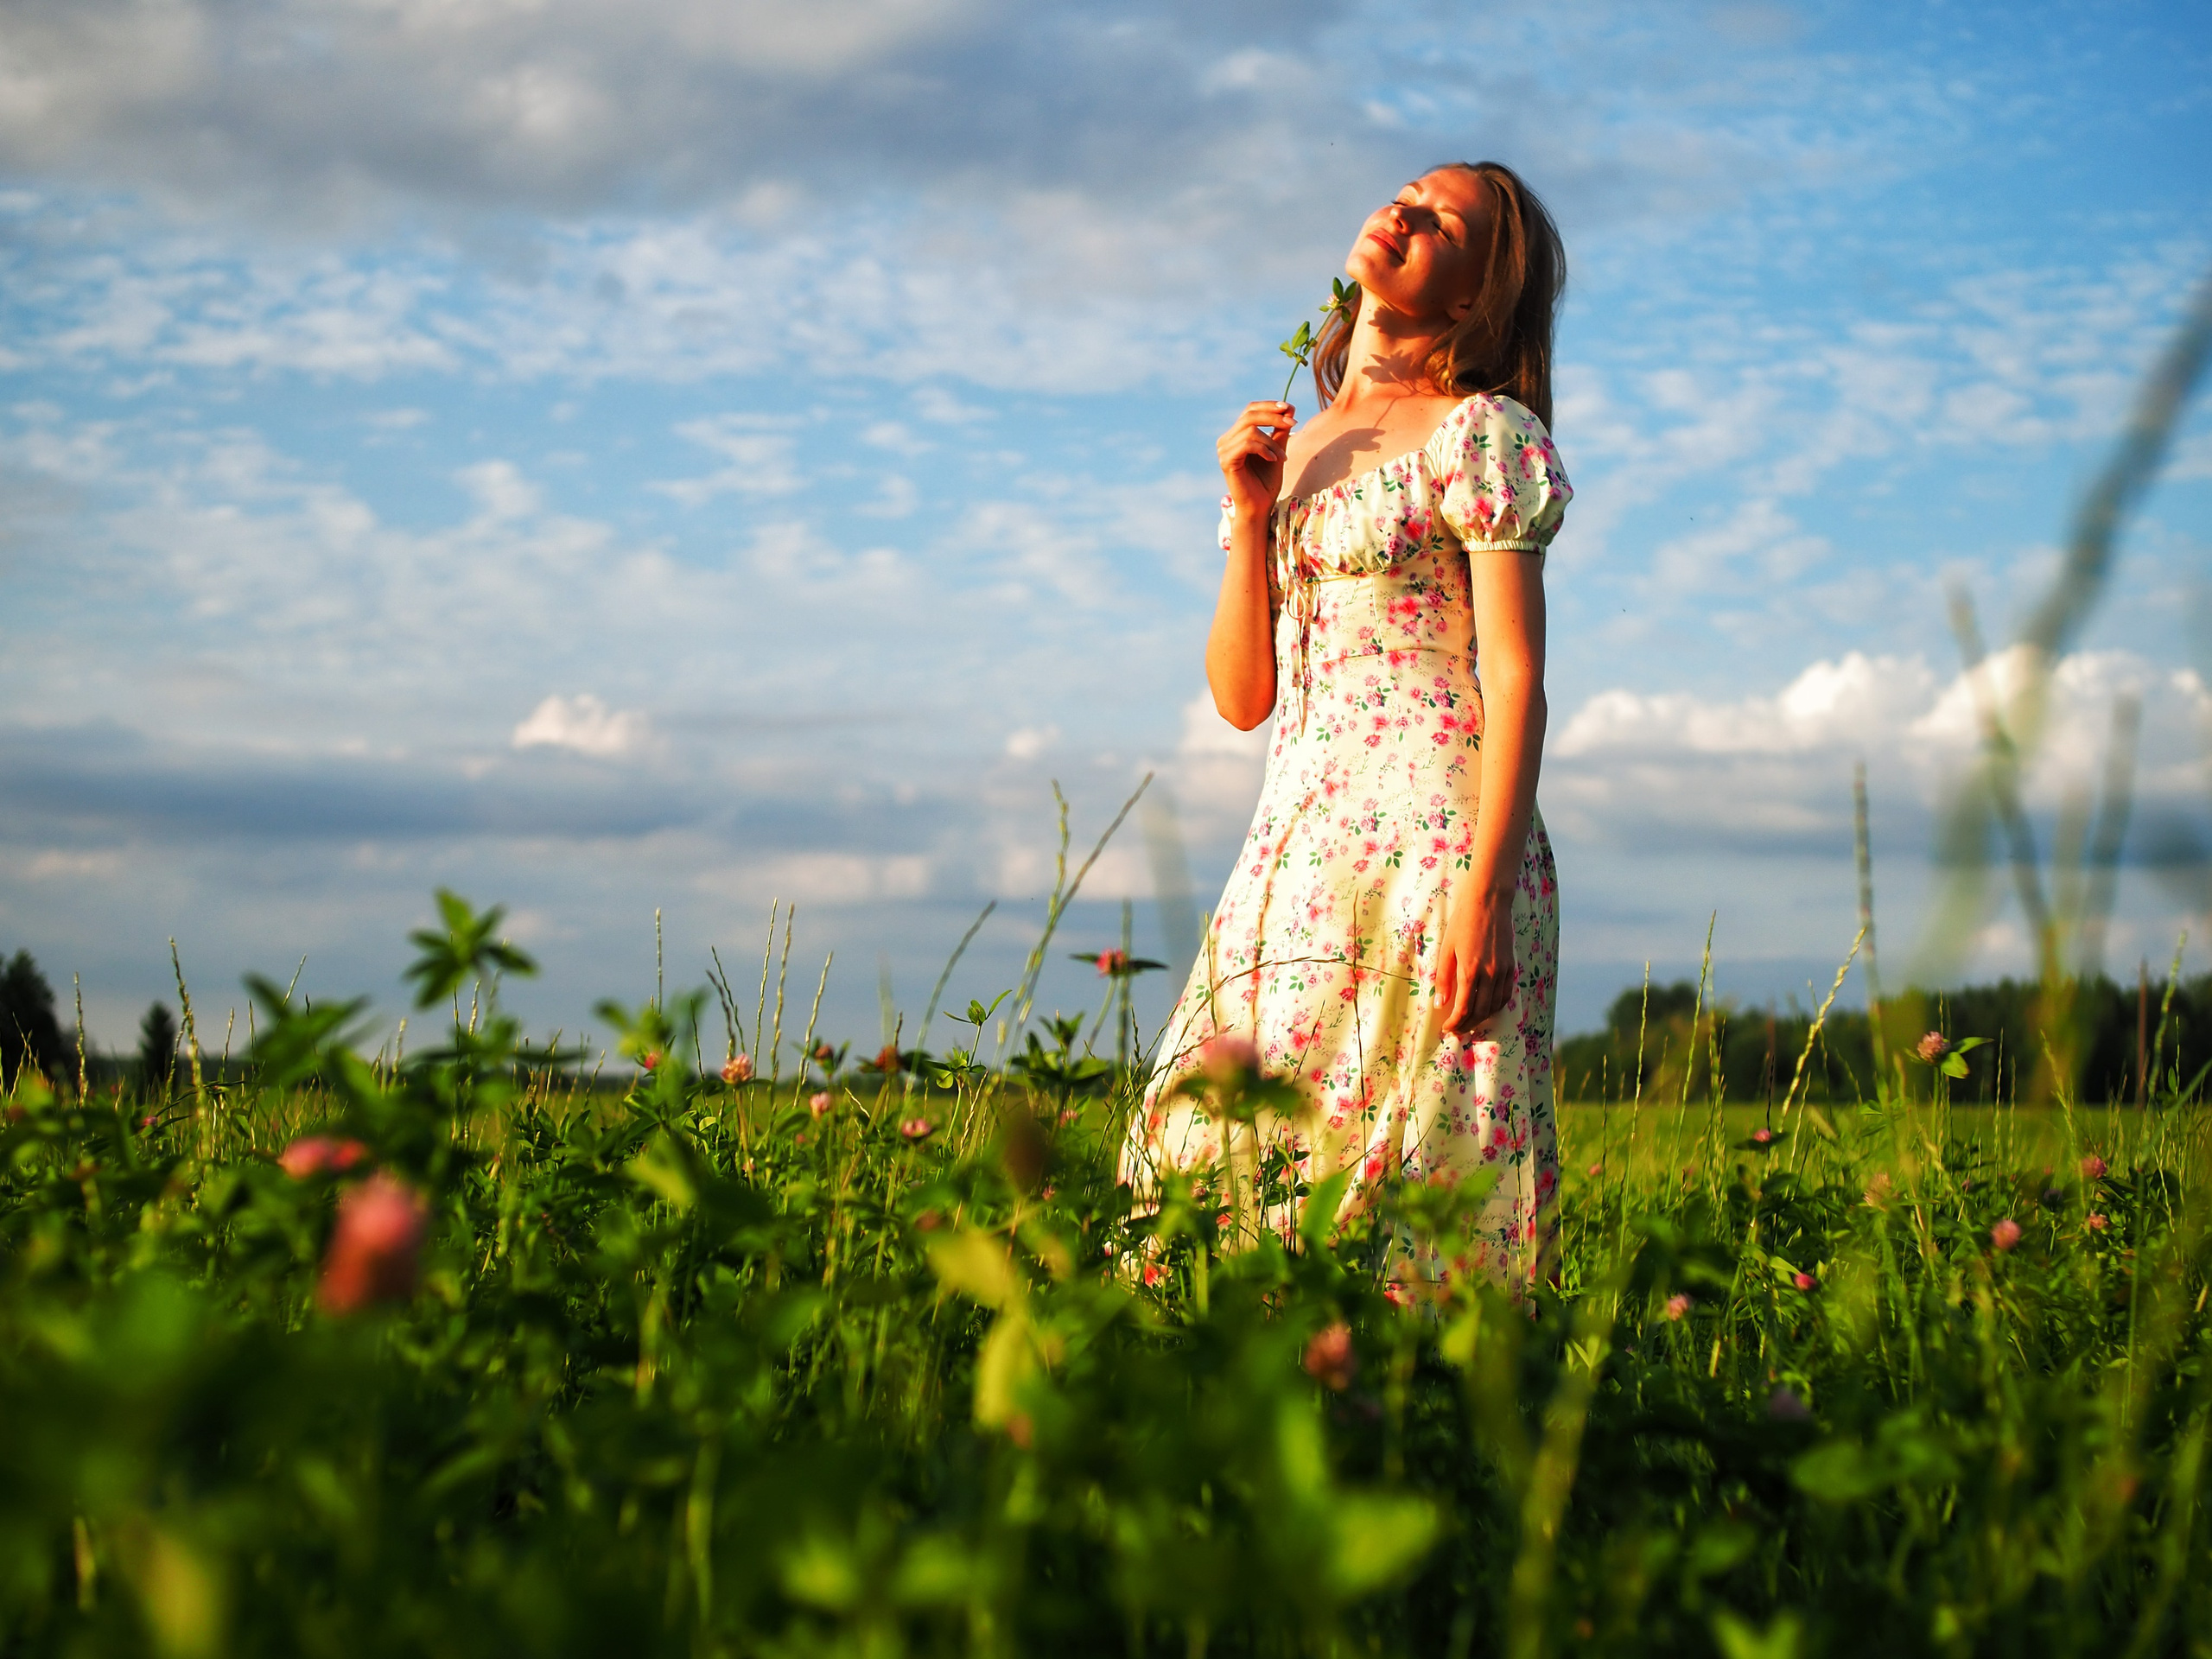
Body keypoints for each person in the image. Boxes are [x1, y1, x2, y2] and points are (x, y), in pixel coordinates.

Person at [1121, 162, 1571, 1287]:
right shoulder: (1297, 438)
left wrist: (1483, 891)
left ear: (1474, 297)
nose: (1406, 212)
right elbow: (1241, 698)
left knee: (1410, 1170)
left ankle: (1431, 1435)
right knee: (1216, 1145)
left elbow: (1515, 678)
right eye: (1407, 194)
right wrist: (1251, 505)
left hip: (1442, 844)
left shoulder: (1482, 433)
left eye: (1445, 222)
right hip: (1297, 847)